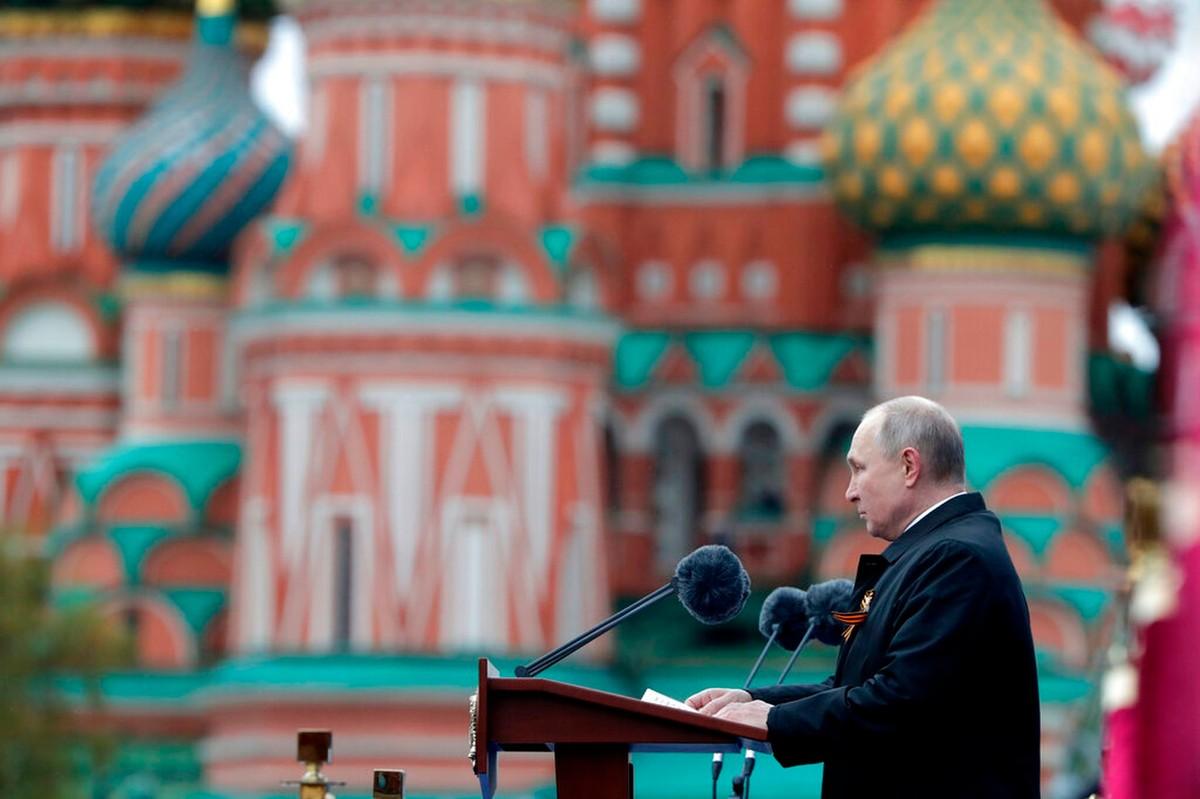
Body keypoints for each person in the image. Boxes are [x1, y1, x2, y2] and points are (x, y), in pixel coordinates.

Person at [687, 396, 1040, 798]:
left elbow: (900, 703)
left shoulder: (958, 558)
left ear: (909, 466)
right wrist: (751, 701)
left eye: (858, 469)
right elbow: (856, 685)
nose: (849, 492)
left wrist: (776, 721)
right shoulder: (930, 553)